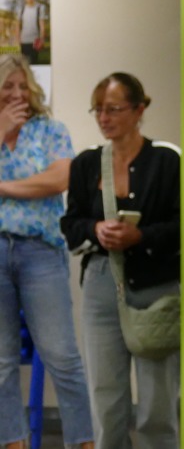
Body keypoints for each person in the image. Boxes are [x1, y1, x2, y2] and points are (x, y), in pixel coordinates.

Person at [62, 73, 180, 449]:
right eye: (98, 109)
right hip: (100, 282)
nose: (104, 118)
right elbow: (70, 223)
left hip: (155, 284)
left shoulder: (165, 160)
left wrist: (141, 236)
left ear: (139, 109)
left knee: (157, 402)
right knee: (105, 395)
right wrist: (95, 229)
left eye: (113, 109)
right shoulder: (85, 164)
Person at [0, 54, 94, 449]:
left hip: (41, 251)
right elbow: (41, 182)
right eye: (8, 86)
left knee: (62, 357)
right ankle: (13, 443)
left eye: (24, 86)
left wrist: (2, 187)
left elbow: (60, 179)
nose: (18, 93)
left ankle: (83, 443)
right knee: (1, 364)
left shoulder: (50, 129)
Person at [14, 0, 47, 66]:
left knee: (34, 64)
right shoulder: (21, 9)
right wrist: (18, 39)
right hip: (23, 41)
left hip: (35, 41)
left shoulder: (40, 8)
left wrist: (42, 40)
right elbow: (17, 25)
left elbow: (42, 26)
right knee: (24, 65)